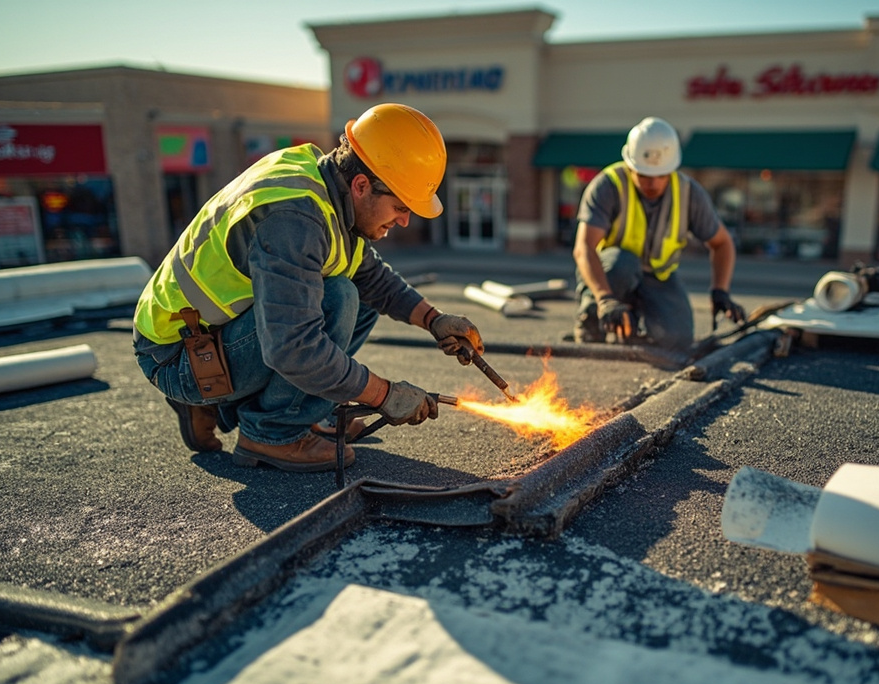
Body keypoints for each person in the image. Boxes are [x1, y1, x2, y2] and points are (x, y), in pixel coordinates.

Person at [133, 103, 485, 472]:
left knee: (358, 293)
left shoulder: (328, 189)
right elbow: (293, 348)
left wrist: (434, 320)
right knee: (338, 298)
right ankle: (272, 432)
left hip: (206, 340)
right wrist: (384, 395)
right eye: (400, 207)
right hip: (176, 356)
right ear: (361, 185)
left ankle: (287, 410)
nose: (405, 220)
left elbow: (372, 277)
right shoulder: (294, 219)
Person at [572, 116, 747, 351]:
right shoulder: (608, 186)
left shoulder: (688, 194)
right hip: (614, 273)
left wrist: (720, 291)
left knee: (678, 339)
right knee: (622, 263)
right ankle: (592, 323)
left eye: (661, 175)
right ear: (630, 165)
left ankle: (633, 326)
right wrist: (604, 299)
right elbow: (584, 248)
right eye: (644, 175)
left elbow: (722, 243)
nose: (653, 183)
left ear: (672, 168)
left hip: (658, 278)